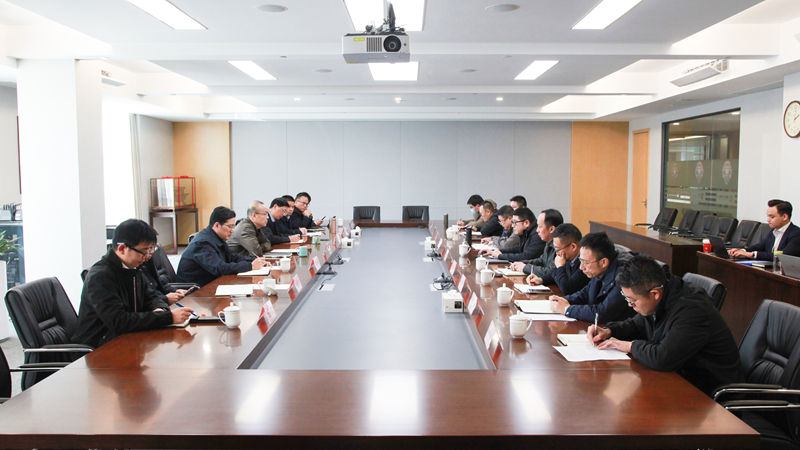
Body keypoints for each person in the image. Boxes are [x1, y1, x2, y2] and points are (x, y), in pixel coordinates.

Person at [589, 255, 741, 396]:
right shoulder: (663, 293)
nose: (630, 305)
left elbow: (663, 358)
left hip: (709, 394)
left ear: (655, 294)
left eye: (633, 301)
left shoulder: (692, 310)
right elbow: (637, 324)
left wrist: (630, 346)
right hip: (680, 379)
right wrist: (609, 331)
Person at [72, 219, 194, 348]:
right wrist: (167, 318)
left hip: (130, 339)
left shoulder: (134, 267)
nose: (146, 257)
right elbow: (119, 321)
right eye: (143, 251)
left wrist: (159, 309)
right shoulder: (100, 276)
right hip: (100, 348)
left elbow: (152, 296)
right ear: (122, 248)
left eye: (149, 251)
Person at [548, 231, 634, 323]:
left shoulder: (624, 276)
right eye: (580, 261)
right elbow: (585, 294)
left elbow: (602, 313)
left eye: (585, 262)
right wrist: (563, 300)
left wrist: (567, 309)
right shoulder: (600, 271)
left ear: (603, 262)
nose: (581, 267)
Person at [177, 206, 268, 286]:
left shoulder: (217, 237)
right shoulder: (202, 243)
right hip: (194, 291)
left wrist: (256, 261)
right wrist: (250, 266)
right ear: (217, 225)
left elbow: (233, 257)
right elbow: (219, 268)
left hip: (211, 283)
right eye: (230, 226)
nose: (232, 230)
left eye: (233, 226)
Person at [527, 223, 589, 295]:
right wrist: (541, 279)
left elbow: (567, 289)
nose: (557, 253)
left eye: (557, 249)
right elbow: (554, 274)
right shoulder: (569, 258)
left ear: (573, 247)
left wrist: (560, 267)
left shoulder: (584, 264)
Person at [729, 199, 800, 260]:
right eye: (768, 216)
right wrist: (742, 250)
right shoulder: (773, 231)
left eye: (772, 217)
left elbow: (783, 255)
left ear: (784, 217)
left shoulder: (796, 233)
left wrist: (752, 254)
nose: (768, 220)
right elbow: (760, 246)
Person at [510, 209, 563, 277]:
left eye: (540, 227)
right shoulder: (549, 242)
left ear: (551, 229)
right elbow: (541, 261)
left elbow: (551, 272)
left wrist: (525, 267)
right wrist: (522, 263)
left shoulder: (561, 247)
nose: (537, 230)